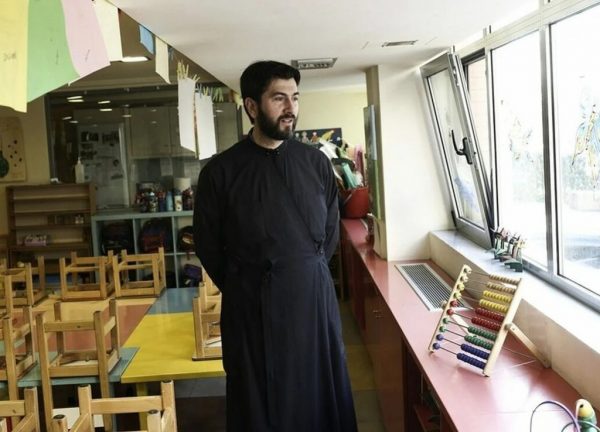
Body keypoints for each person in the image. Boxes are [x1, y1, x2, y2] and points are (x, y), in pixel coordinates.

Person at [193, 60, 357, 432]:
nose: (290, 108)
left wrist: (307, 271)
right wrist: (246, 284)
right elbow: (208, 244)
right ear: (252, 106)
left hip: (313, 303)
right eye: (279, 98)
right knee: (260, 404)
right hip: (252, 309)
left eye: (295, 98)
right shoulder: (221, 172)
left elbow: (329, 231)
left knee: (319, 396)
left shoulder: (316, 163)